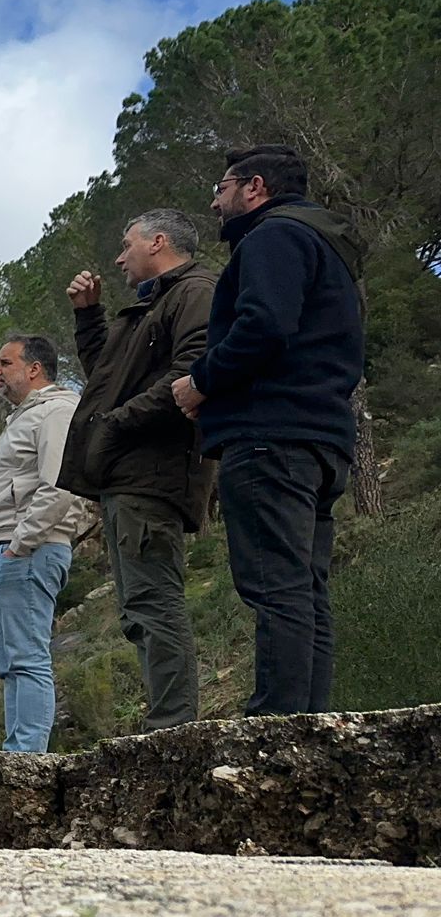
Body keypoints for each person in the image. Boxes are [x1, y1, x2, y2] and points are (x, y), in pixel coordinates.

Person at [170, 144, 364, 715]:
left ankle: (275, 723)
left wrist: (201, 380)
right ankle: (306, 719)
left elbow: (265, 325)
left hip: (271, 436)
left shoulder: (273, 238)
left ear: (255, 187)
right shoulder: (326, 246)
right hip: (322, 438)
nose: (214, 199)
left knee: (275, 584)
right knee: (305, 589)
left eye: (222, 187)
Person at [60, 209, 217, 731]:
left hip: (153, 474)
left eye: (127, 245)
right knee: (137, 610)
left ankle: (172, 727)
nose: (119, 257)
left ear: (159, 242)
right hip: (128, 476)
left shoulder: (195, 292)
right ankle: (166, 724)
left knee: (153, 603)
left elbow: (191, 372)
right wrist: (89, 315)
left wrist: (114, 424)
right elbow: (109, 375)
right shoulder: (152, 306)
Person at [0, 333, 88, 753]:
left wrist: (20, 543)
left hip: (28, 550)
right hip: (3, 550)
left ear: (34, 369)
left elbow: (59, 486)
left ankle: (26, 757)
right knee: (9, 663)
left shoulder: (56, 412)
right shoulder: (24, 417)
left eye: (5, 363)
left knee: (26, 658)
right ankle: (18, 753)